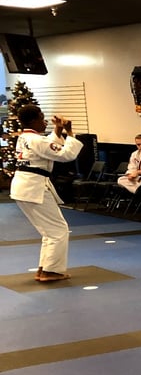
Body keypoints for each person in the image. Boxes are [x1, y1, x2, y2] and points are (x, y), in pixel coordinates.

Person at [10, 104, 83, 283]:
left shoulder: (24, 137)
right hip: (34, 187)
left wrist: (58, 130)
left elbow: (48, 146)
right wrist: (69, 132)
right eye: (42, 119)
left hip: (24, 186)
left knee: (50, 231)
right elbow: (66, 155)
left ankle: (45, 268)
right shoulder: (36, 140)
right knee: (58, 230)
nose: (45, 122)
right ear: (33, 120)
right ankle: (51, 271)